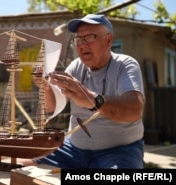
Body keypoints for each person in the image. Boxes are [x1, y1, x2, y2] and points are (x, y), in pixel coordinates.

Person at [19, 14, 145, 169]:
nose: (82, 44)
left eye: (89, 37)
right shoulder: (75, 66)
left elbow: (134, 111)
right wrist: (45, 86)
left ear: (109, 40)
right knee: (19, 166)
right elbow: (52, 107)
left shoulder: (125, 65)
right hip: (72, 149)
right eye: (78, 39)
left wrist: (92, 100)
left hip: (118, 152)